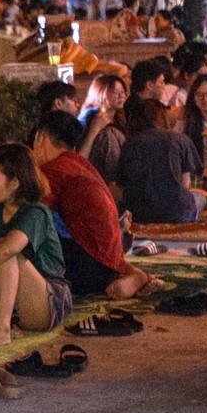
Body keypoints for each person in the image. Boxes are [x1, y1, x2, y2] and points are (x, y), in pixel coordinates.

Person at [0, 143, 72, 349]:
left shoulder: (36, 213)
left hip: (47, 299)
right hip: (3, 293)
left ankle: (1, 330)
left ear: (15, 183)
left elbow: (8, 249)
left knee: (5, 252)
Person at [34, 112, 159, 300]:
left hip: (88, 270)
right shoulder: (78, 163)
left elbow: (33, 215)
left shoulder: (53, 170)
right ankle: (126, 274)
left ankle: (124, 275)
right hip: (104, 262)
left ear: (41, 137)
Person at [117, 96, 205, 224]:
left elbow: (123, 185)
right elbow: (185, 184)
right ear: (161, 116)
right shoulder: (180, 139)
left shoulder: (129, 143)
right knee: (201, 196)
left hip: (140, 214)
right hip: (177, 213)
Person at [76, 74, 128, 184]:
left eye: (123, 92)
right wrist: (94, 130)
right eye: (115, 92)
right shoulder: (88, 117)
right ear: (101, 93)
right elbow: (78, 158)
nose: (121, 95)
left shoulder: (119, 118)